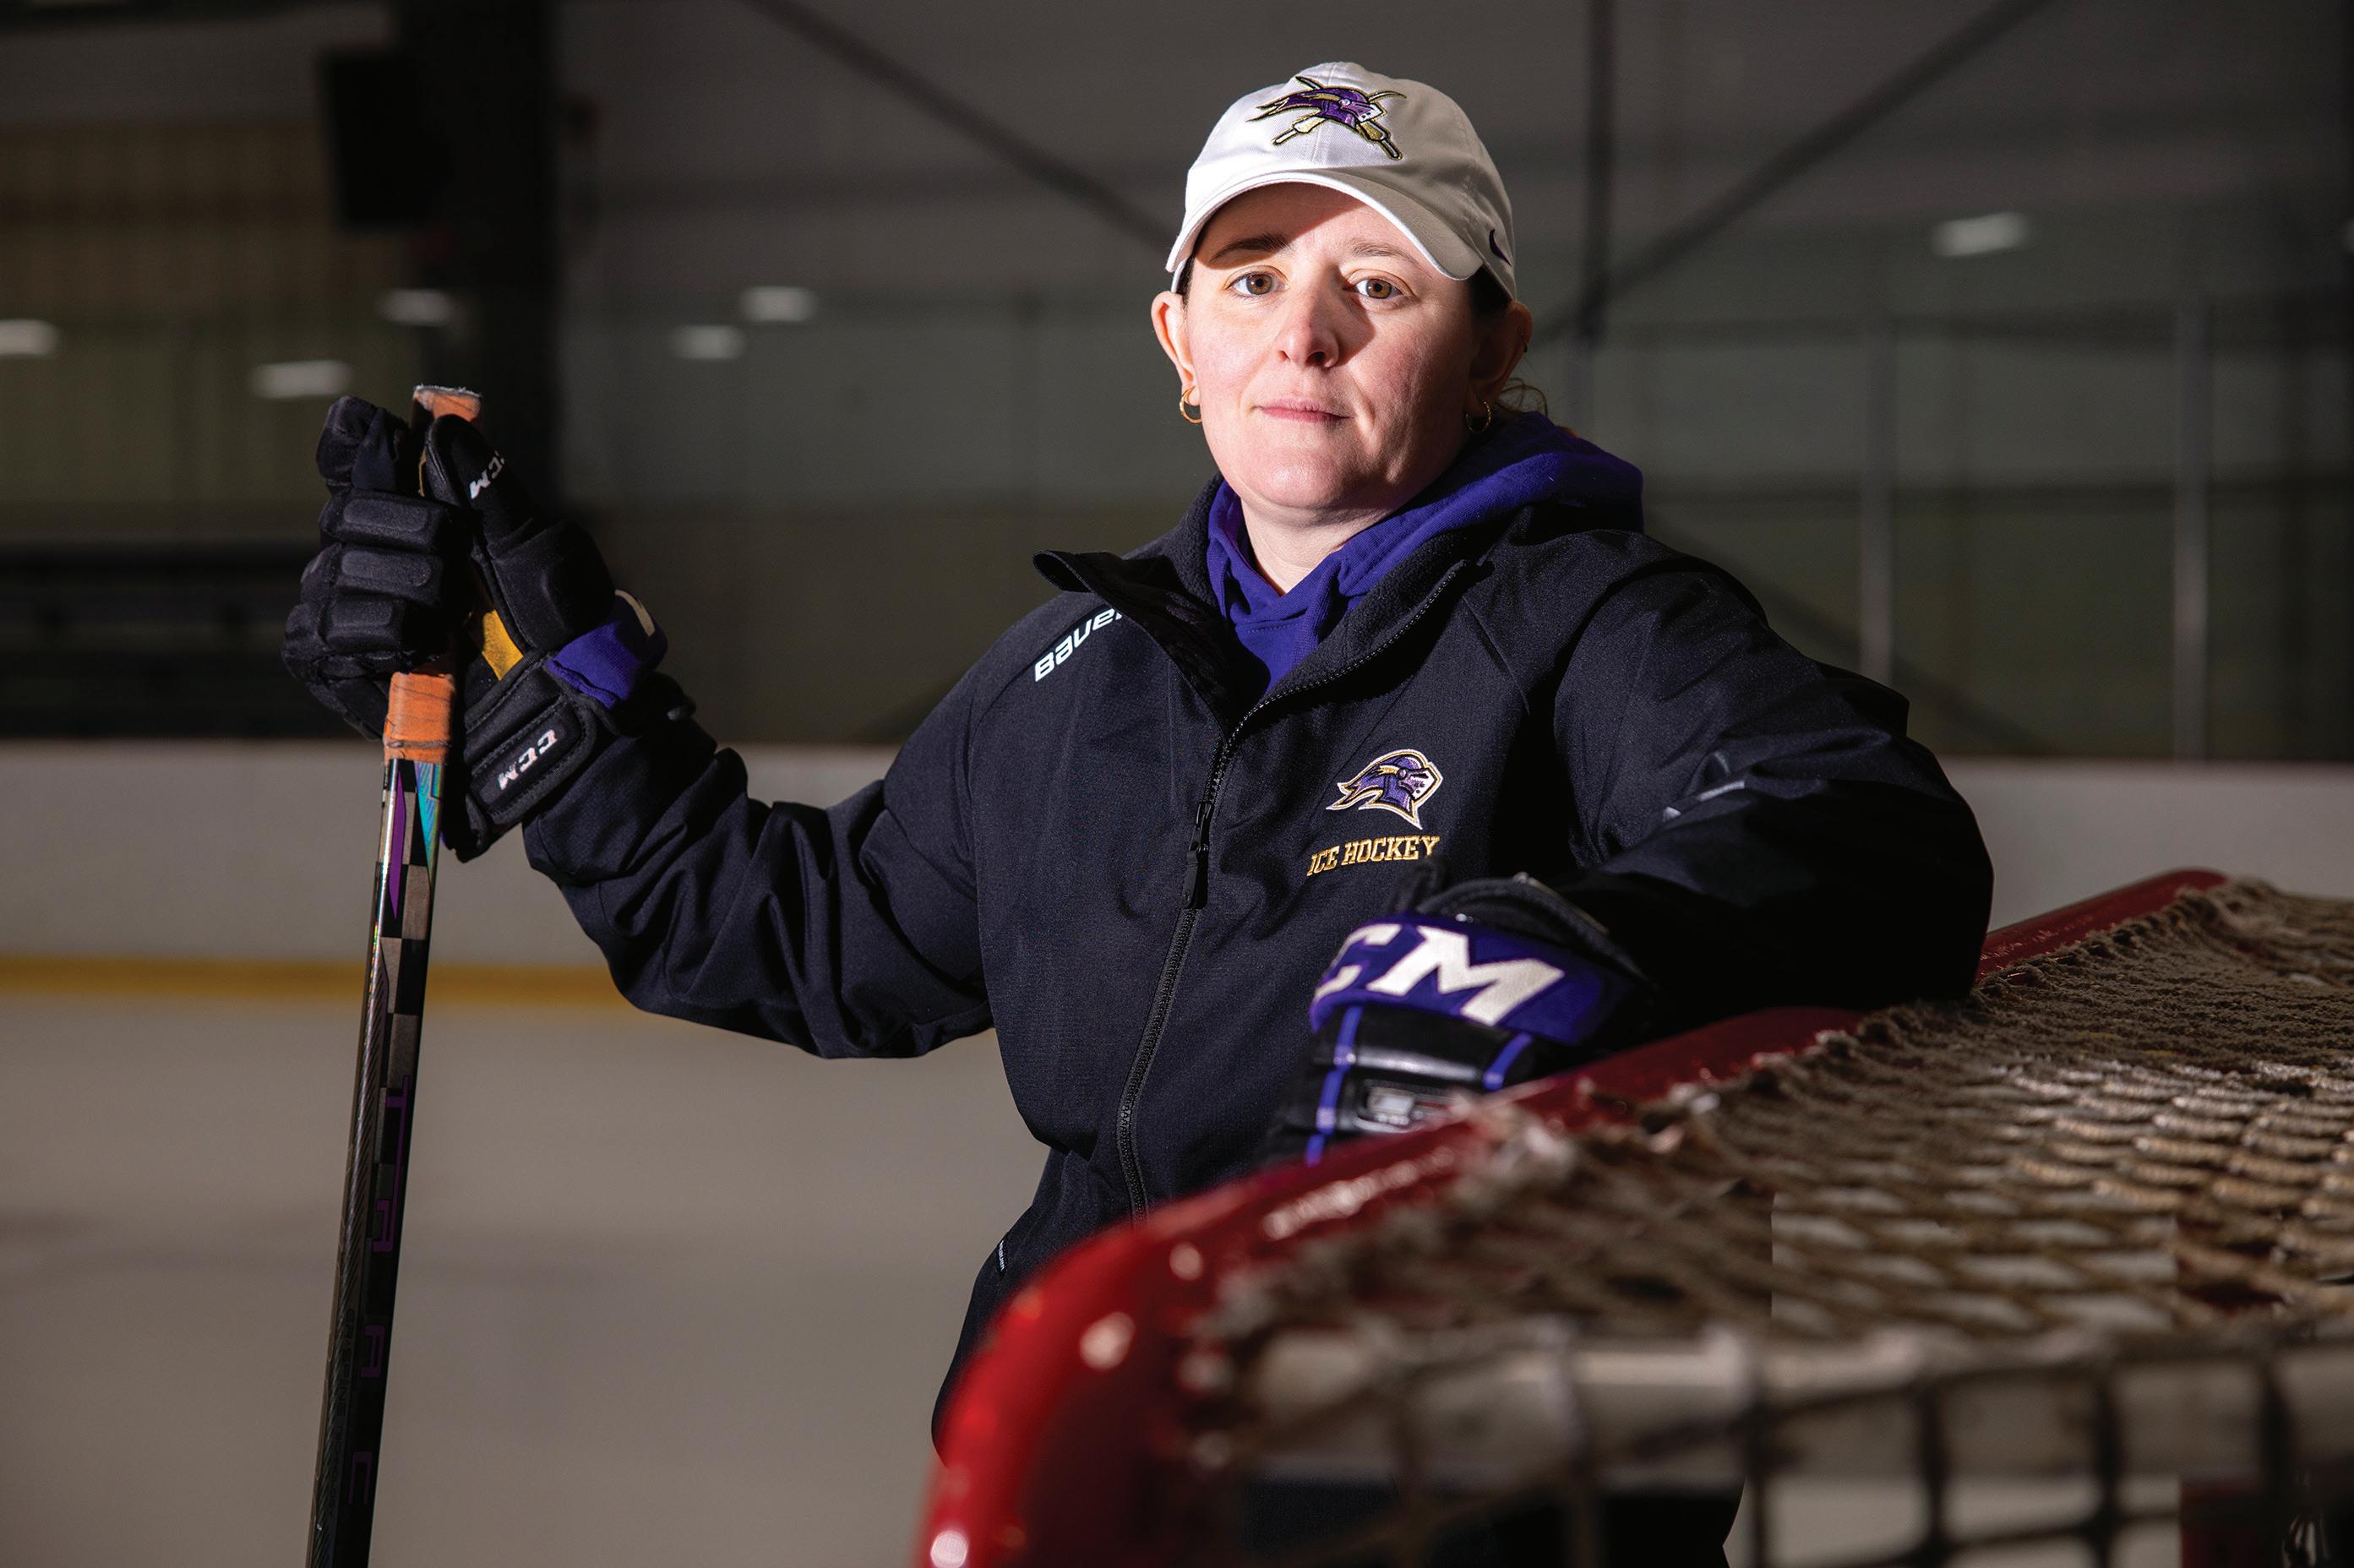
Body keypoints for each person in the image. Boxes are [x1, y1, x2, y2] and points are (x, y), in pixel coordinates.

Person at [286, 63, 1992, 1561]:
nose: (1302, 333)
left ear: (1489, 351)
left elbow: (1865, 830)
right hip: (1089, 1476)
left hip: (1458, 1515)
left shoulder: (1594, 626)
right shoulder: (1077, 674)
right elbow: (795, 936)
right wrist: (553, 703)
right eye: (1250, 278)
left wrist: (1579, 947)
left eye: (1377, 283)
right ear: (1180, 339)